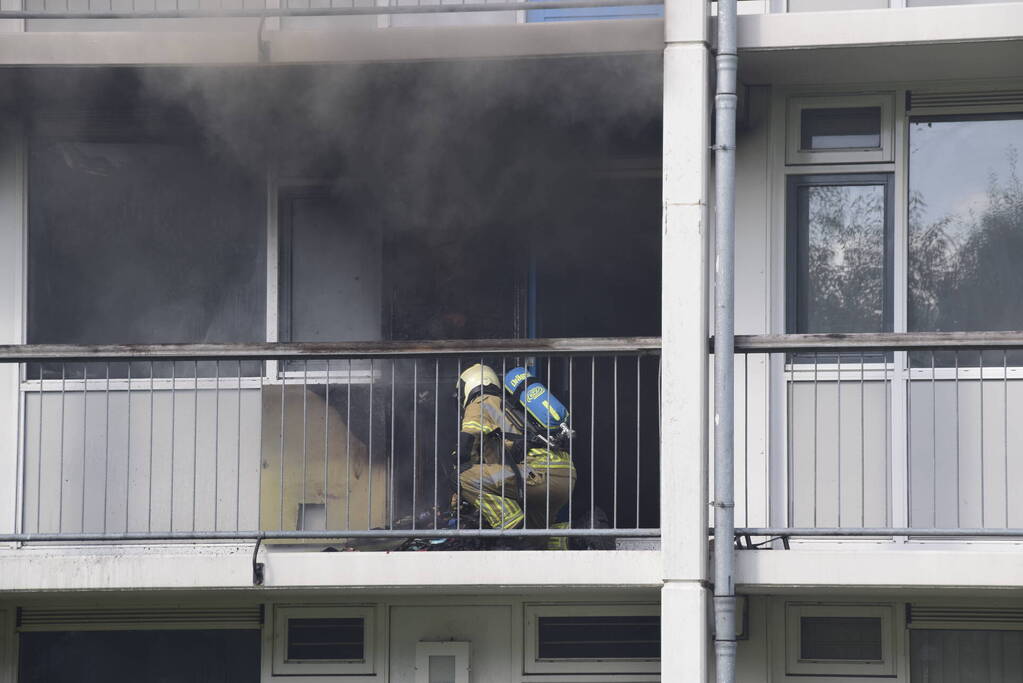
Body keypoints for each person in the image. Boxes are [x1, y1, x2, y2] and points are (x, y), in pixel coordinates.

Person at [454, 363, 576, 549]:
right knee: (536, 540)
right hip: (565, 475)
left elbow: (467, 447)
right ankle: (573, 539)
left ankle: (512, 530)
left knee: (462, 478)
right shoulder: (510, 407)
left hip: (538, 474)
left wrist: (457, 484)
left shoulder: (481, 401)